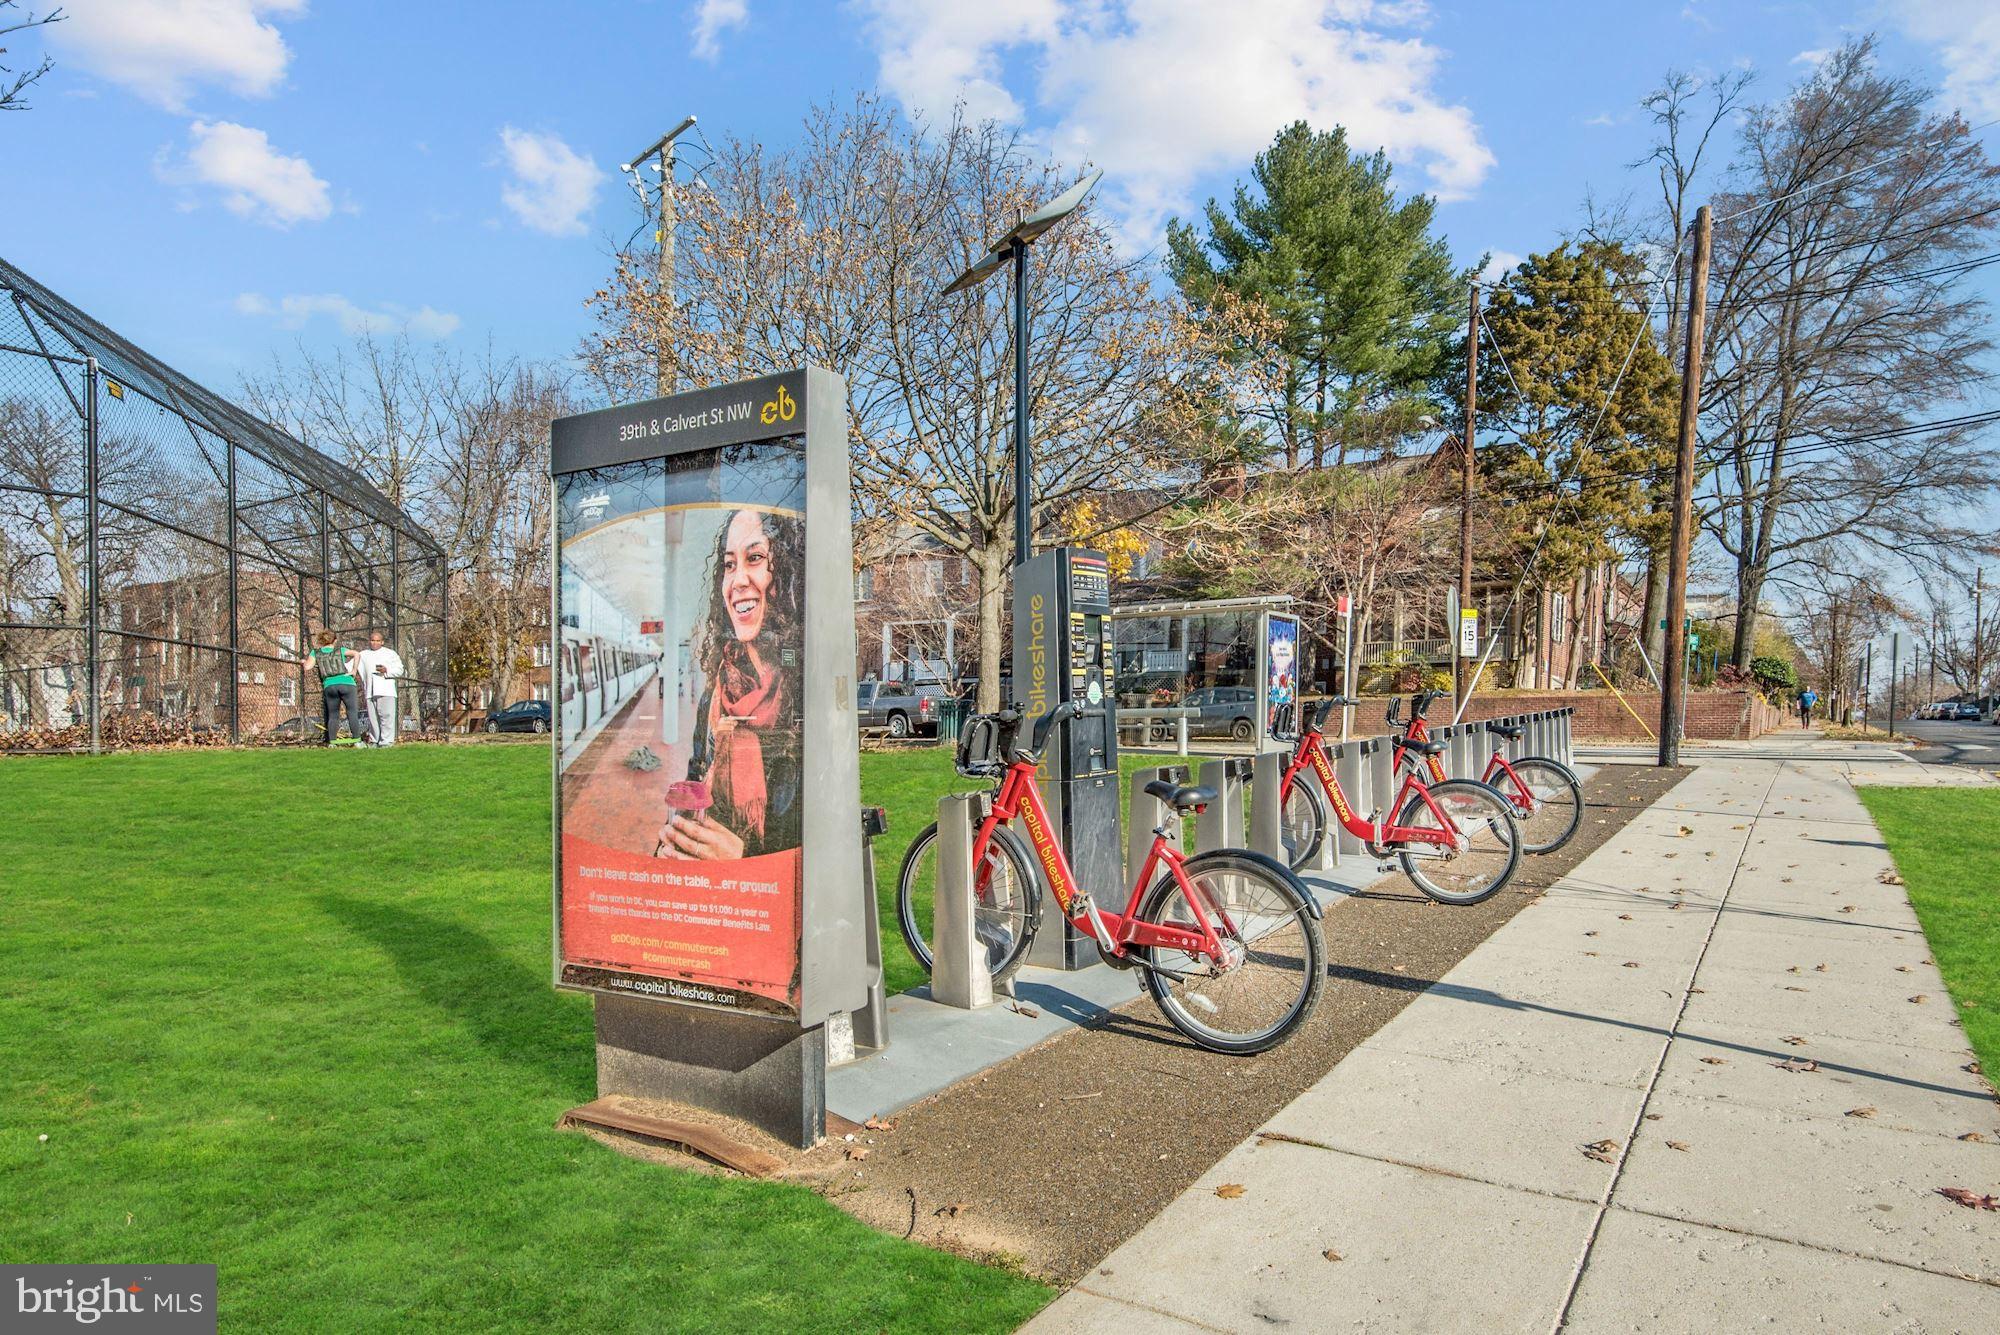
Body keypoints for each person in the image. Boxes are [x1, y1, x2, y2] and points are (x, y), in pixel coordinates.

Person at [657, 508, 804, 861]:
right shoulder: (716, 694)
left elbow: (818, 838)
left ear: (784, 572)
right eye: (728, 564)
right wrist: (672, 843)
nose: (737, 580)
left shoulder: (803, 691)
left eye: (754, 558)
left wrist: (743, 858)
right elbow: (695, 782)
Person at [306, 630, 366, 746]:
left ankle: (332, 742)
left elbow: (308, 667)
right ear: (335, 640)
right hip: (347, 683)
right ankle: (357, 740)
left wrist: (305, 661)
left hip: (329, 685)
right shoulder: (340, 650)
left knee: (333, 714)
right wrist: (354, 670)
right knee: (352, 712)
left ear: (321, 641)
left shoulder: (315, 652)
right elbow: (356, 654)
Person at [354, 630, 406, 746]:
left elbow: (400, 670)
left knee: (387, 717)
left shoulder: (390, 653)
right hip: (370, 691)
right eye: (373, 640)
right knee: (373, 719)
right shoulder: (363, 654)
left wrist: (387, 670)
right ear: (369, 641)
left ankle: (386, 742)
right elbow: (350, 662)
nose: (375, 643)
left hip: (386, 690)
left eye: (378, 641)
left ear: (382, 642)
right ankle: (374, 741)